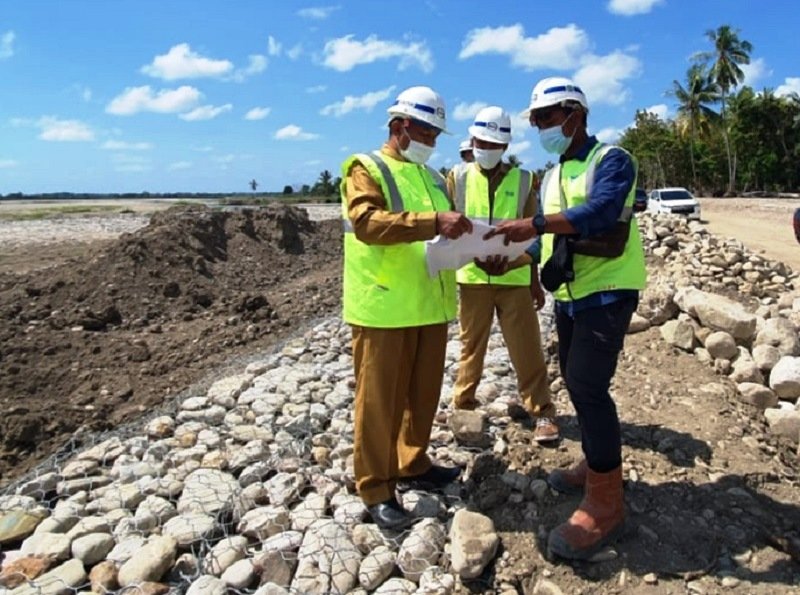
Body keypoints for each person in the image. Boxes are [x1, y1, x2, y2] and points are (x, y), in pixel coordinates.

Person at [486, 77, 647, 560]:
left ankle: (607, 504)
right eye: (535, 120)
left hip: (608, 291)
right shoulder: (554, 174)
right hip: (572, 295)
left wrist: (532, 223)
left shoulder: (612, 160)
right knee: (579, 387)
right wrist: (515, 258)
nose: (539, 127)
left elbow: (599, 215)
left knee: (588, 385)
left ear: (575, 115)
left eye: (546, 118)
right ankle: (597, 466)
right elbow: (549, 238)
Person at [341, 86, 472, 530]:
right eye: (426, 130)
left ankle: (412, 461)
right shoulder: (367, 169)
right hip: (383, 307)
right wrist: (434, 223)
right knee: (379, 403)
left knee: (422, 395)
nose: (433, 140)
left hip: (429, 303)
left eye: (437, 133)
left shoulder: (434, 178)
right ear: (399, 126)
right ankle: (376, 486)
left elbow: (447, 232)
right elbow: (366, 223)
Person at [448, 106, 558, 443]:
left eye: (494, 144)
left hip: (514, 279)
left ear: (506, 147)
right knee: (471, 347)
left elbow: (535, 235)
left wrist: (531, 279)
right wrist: (472, 256)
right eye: (482, 142)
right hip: (473, 278)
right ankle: (464, 405)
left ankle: (541, 412)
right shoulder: (458, 177)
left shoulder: (525, 180)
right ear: (473, 140)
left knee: (527, 348)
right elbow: (450, 228)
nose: (487, 148)